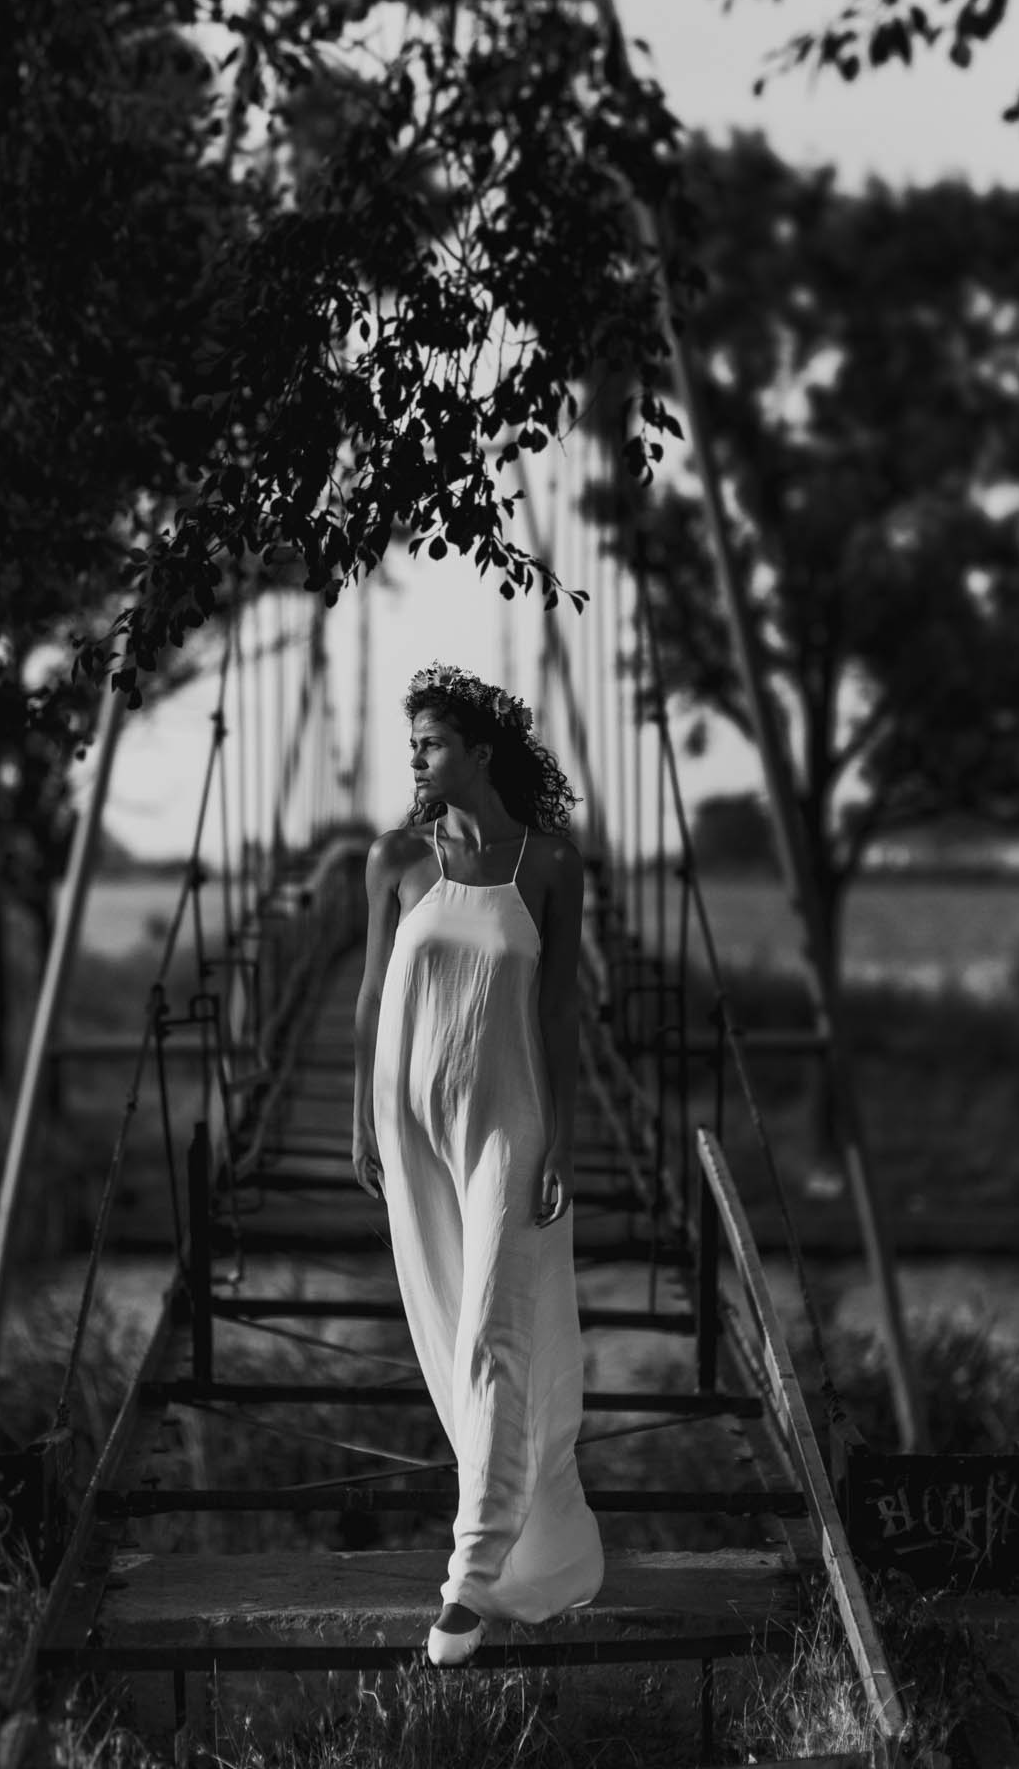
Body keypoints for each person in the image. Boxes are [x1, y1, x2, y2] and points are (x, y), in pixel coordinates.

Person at [351, 662, 604, 1665]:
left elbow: (560, 1011)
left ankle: (468, 1581)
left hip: (511, 1119)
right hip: (409, 1121)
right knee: (451, 1326)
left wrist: (565, 1137)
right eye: (412, 743)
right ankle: (531, 1535)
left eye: (433, 742)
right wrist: (358, 1117)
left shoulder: (551, 865)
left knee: (497, 1326)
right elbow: (372, 996)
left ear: (481, 752)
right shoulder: (394, 858)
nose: (416, 757)